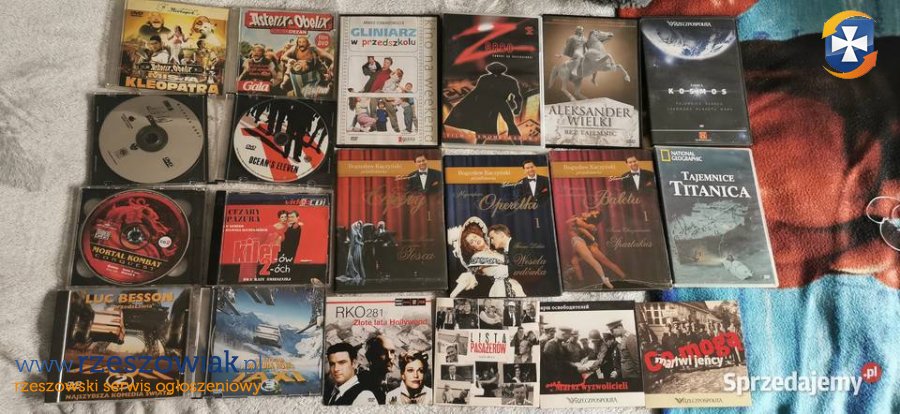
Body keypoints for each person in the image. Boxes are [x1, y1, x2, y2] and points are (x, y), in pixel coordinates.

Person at [444, 62, 523, 142]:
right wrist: (463, 103)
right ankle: (482, 142)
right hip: (486, 104)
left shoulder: (509, 80)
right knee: (484, 125)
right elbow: (476, 92)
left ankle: (517, 142)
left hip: (499, 102)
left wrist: (518, 108)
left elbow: (517, 96)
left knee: (510, 123)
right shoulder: (485, 78)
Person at [451, 224, 525, 298]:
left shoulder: (497, 251)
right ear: (472, 247)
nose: (475, 240)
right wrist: (453, 295)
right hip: (500, 289)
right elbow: (468, 277)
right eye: (471, 242)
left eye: (475, 237)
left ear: (480, 235)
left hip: (515, 286)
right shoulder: (477, 257)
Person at [280, 35, 334, 99]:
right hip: (297, 76)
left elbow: (327, 55)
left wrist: (333, 62)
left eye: (303, 42)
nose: (301, 44)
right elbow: (283, 57)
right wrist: (289, 59)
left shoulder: (313, 49)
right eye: (299, 42)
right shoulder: (294, 49)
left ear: (307, 43)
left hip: (314, 74)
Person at [358, 335, 396, 404]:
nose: (390, 357)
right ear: (370, 356)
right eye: (383, 352)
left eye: (392, 352)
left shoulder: (392, 387)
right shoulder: (361, 386)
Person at [258, 211, 288, 277]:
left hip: (276, 245)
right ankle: (262, 271)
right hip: (272, 245)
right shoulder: (276, 226)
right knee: (270, 259)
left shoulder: (285, 225)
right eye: (282, 217)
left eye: (285, 217)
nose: (284, 219)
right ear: (279, 218)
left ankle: (263, 270)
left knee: (272, 260)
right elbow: (272, 236)